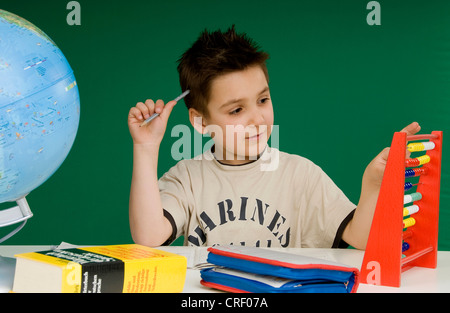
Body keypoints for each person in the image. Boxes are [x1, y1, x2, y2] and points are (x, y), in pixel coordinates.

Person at [127, 26, 420, 249]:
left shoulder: (300, 175)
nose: (257, 118)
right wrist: (145, 147)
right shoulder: (188, 178)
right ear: (201, 122)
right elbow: (148, 237)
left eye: (263, 100)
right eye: (237, 109)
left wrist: (372, 187)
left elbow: (361, 237)